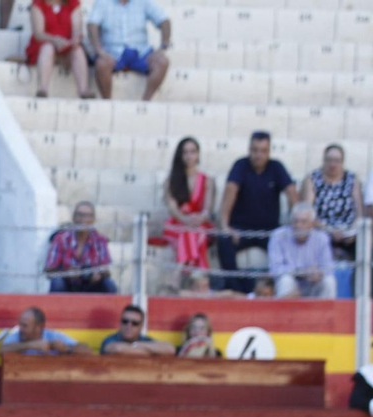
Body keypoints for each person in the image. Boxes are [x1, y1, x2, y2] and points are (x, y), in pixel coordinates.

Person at [216, 132, 295, 294]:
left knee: (287, 242)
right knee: (223, 239)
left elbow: (292, 193)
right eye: (255, 150)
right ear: (249, 149)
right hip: (241, 229)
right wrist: (225, 225)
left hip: (269, 231)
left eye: (263, 150)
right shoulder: (240, 165)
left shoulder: (276, 167)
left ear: (269, 151)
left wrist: (294, 225)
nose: (258, 154)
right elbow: (230, 191)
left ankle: (278, 288)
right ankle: (234, 288)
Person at [86, 0, 172, 102]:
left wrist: (163, 45)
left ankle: (145, 102)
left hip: (141, 52)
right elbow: (92, 25)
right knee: (101, 63)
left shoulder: (144, 2)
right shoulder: (103, 2)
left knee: (162, 61)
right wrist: (98, 50)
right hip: (112, 52)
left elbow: (164, 20)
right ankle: (108, 102)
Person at [300, 144, 362, 264]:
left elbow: (359, 213)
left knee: (361, 244)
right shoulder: (312, 178)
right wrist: (329, 231)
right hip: (321, 231)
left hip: (348, 233)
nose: (333, 164)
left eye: (337, 160)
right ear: (323, 160)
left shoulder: (352, 179)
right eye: (329, 160)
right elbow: (307, 212)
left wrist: (352, 230)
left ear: (342, 162)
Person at [163, 136, 213, 271]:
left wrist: (198, 218)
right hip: (177, 224)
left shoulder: (207, 180)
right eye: (185, 152)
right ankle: (199, 276)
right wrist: (186, 220)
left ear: (198, 154)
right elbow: (172, 208)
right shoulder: (171, 180)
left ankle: (177, 276)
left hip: (199, 223)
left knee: (194, 232)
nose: (189, 156)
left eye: (193, 151)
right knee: (189, 233)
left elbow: (207, 209)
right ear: (180, 155)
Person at [44, 200, 115, 293]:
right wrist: (67, 273)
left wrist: (98, 275)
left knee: (109, 284)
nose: (82, 219)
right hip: (67, 285)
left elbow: (106, 271)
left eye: (87, 216)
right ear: (73, 217)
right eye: (79, 215)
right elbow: (49, 270)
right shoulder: (60, 239)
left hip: (92, 285)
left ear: (93, 219)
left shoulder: (100, 240)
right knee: (57, 282)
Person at [268, 202, 335, 299]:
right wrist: (301, 272)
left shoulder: (322, 238)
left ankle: (326, 314)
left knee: (329, 281)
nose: (298, 225)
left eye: (303, 222)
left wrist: (318, 273)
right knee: (285, 280)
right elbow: (275, 268)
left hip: (313, 283)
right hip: (292, 283)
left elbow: (328, 267)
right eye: (295, 221)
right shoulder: (278, 236)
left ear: (312, 224)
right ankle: (284, 313)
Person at [26, 0, 90, 99]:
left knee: (77, 50)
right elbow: (38, 34)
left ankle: (83, 90)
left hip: (66, 46)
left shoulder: (73, 3)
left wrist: (71, 42)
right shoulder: (38, 4)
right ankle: (43, 89)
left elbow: (77, 31)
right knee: (48, 48)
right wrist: (55, 40)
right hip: (44, 44)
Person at [0, 306, 89, 357]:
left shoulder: (53, 336)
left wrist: (68, 349)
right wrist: (30, 345)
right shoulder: (17, 336)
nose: (20, 328)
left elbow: (88, 351)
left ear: (38, 327)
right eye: (20, 324)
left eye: (25, 325)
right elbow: (2, 351)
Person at [99, 304, 175, 356]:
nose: (129, 326)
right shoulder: (110, 339)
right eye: (125, 321)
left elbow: (170, 349)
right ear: (120, 323)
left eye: (134, 323)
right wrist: (151, 351)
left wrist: (137, 345)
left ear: (141, 326)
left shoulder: (144, 340)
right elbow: (118, 349)